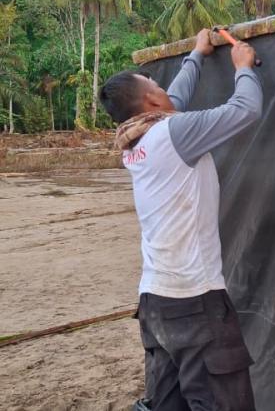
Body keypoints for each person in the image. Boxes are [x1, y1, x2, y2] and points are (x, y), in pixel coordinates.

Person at [99, 29, 261, 411]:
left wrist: (197, 55)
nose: (161, 84)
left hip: (155, 303)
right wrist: (244, 68)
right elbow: (247, 110)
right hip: (195, 302)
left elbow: (174, 99)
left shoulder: (135, 140)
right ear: (152, 99)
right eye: (154, 81)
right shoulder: (173, 133)